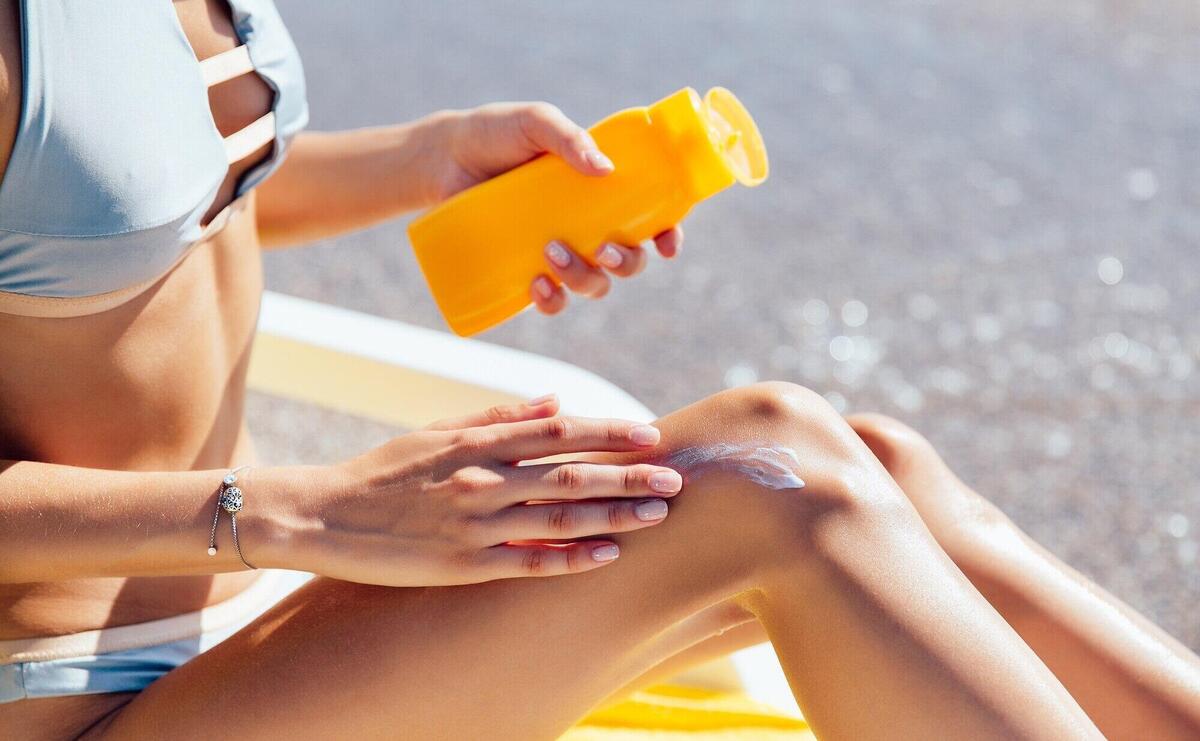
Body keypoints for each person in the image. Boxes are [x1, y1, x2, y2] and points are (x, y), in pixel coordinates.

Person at [0, 2, 1196, 739]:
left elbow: (146, 196)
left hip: (250, 605)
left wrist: (429, 161)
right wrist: (307, 511)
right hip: (79, 694)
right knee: (779, 482)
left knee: (883, 468)